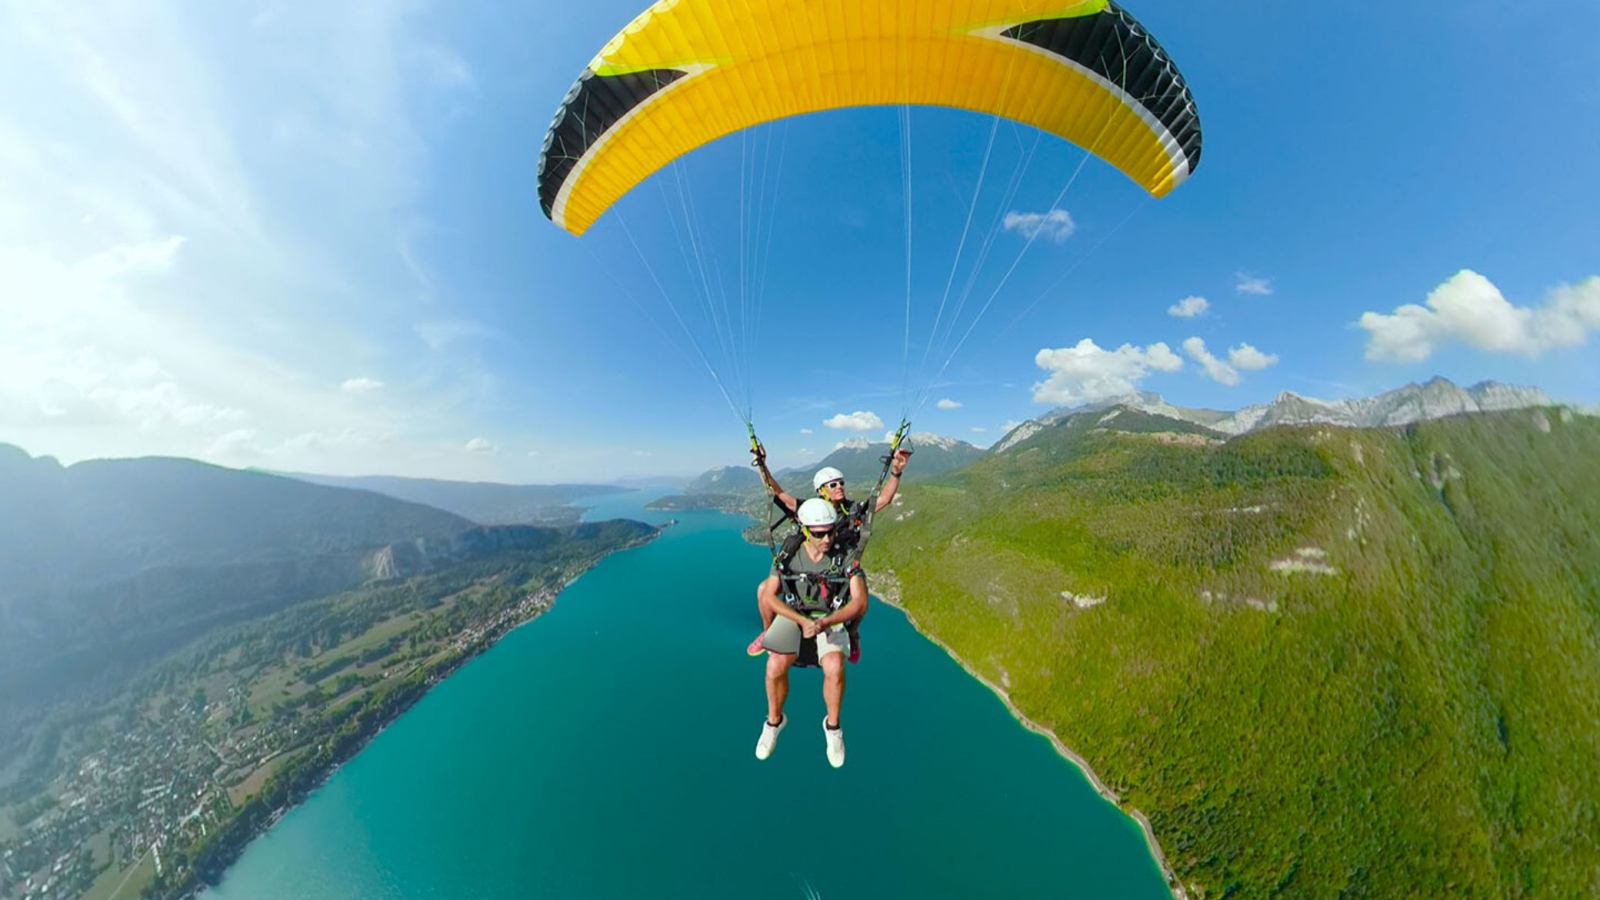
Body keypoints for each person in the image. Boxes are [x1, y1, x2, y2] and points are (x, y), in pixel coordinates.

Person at [746, 443, 910, 661]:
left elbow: (884, 499)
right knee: (762, 590)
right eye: (832, 484)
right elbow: (776, 493)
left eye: (841, 483)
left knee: (862, 598)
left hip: (838, 573)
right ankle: (768, 632)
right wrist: (761, 465)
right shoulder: (808, 510)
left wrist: (896, 471)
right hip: (808, 568)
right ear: (820, 491)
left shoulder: (852, 510)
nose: (839, 487)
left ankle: (852, 634)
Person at [753, 498, 867, 767]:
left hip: (829, 616)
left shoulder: (846, 554)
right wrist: (800, 621)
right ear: (805, 531)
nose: (827, 538)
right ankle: (774, 722)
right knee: (773, 666)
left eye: (831, 532)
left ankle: (833, 728)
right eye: (819, 534)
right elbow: (769, 595)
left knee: (834, 666)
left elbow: (860, 601)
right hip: (796, 615)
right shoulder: (789, 553)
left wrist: (826, 624)